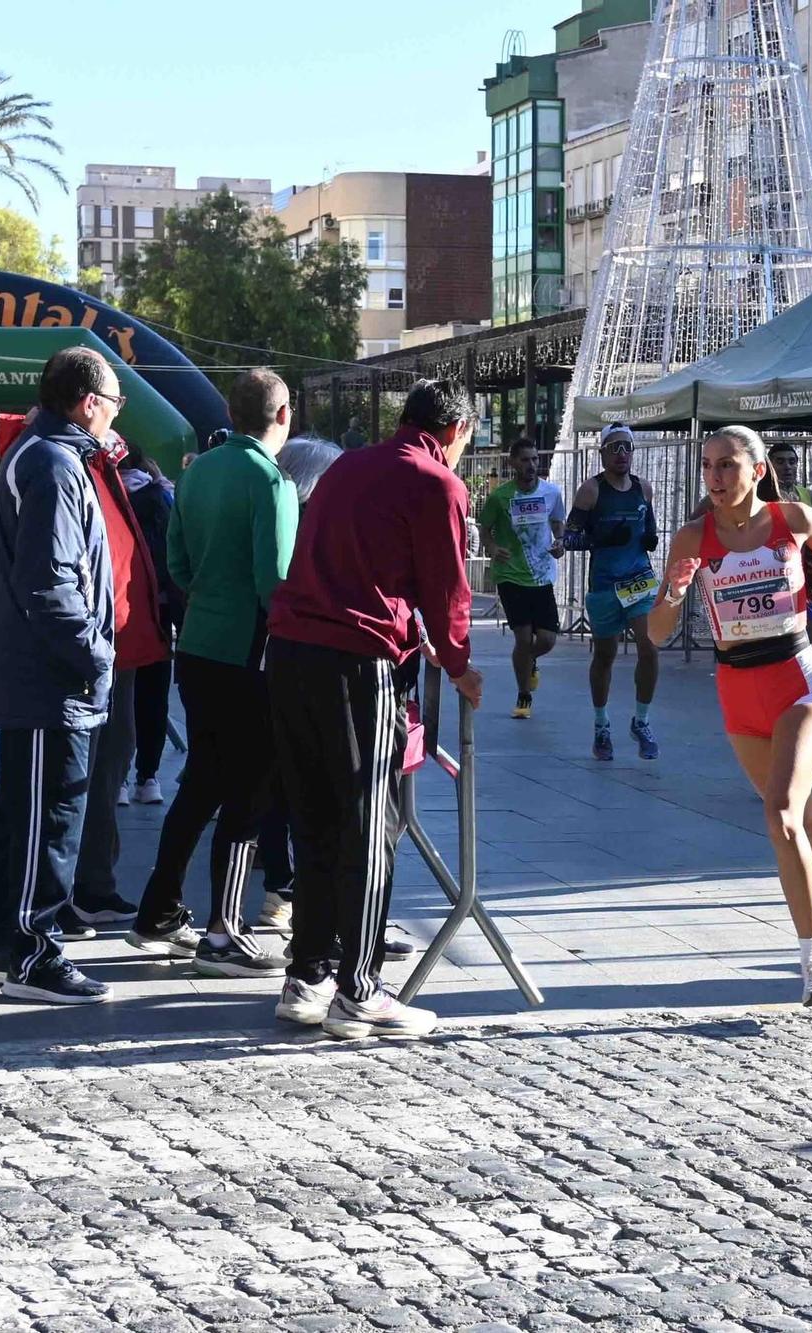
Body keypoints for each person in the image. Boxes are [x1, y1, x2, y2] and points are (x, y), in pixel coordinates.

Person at [266, 379, 482, 1039]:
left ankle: (308, 975)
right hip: (355, 659)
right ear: (455, 432)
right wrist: (459, 664)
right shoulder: (437, 481)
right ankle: (359, 987)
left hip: (289, 651)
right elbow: (448, 590)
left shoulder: (347, 464)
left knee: (314, 816)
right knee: (367, 822)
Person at [649, 425, 812, 1006]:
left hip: (800, 678)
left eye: (727, 465)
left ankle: (811, 964)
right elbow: (655, 632)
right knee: (807, 821)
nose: (717, 477)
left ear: (757, 469)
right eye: (708, 466)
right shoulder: (692, 537)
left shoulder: (792, 520)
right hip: (737, 689)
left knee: (781, 815)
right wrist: (674, 593)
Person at [0, 347, 120, 1004]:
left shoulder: (45, 455)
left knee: (21, 814)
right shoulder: (51, 463)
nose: (114, 420)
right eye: (113, 405)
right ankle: (32, 951)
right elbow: (51, 584)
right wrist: (94, 654)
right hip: (53, 678)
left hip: (44, 675)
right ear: (89, 403)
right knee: (48, 820)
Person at [129, 370, 297, 979]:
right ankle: (226, 932)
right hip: (248, 654)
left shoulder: (196, 473)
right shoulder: (270, 481)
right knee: (249, 789)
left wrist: (203, 593)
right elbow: (274, 581)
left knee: (201, 780)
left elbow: (173, 556)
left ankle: (159, 908)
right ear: (284, 416)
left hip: (197, 645)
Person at [68, 429, 170, 929]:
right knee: (92, 767)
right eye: (114, 401)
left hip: (119, 644)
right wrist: (89, 645)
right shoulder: (66, 465)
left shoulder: (98, 467)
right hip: (99, 647)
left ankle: (92, 884)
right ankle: (71, 891)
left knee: (112, 757)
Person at [255, 436, 344, 931]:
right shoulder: (304, 522)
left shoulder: (286, 513)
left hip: (277, 658)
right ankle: (291, 891)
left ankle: (285, 889)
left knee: (281, 781)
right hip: (294, 660)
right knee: (297, 781)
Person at [563, 425, 663, 761]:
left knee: (649, 647)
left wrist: (650, 538)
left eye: (627, 447)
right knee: (605, 655)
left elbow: (649, 528)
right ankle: (601, 725)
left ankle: (642, 720)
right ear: (602, 453)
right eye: (614, 447)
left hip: (639, 580)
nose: (622, 453)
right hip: (605, 584)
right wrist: (600, 539)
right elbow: (570, 537)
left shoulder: (643, 488)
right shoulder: (591, 490)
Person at [477, 437, 566, 719]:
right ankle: (524, 695)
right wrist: (492, 548)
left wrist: (560, 542)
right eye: (525, 460)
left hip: (541, 575)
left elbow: (558, 523)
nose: (531, 465)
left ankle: (530, 663)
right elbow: (484, 529)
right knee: (523, 638)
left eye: (535, 459)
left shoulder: (551, 493)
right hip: (511, 576)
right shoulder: (500, 497)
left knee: (547, 640)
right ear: (514, 462)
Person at [121, 447, 178, 806]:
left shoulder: (106, 495)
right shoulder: (161, 498)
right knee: (153, 696)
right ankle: (149, 777)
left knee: (118, 697)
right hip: (158, 610)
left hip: (118, 613)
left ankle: (117, 779)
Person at [769, 441, 812, 650]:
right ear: (769, 466)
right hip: (770, 575)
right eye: (780, 462)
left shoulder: (810, 497)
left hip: (802, 574)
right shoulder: (758, 497)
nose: (787, 467)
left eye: (792, 462)